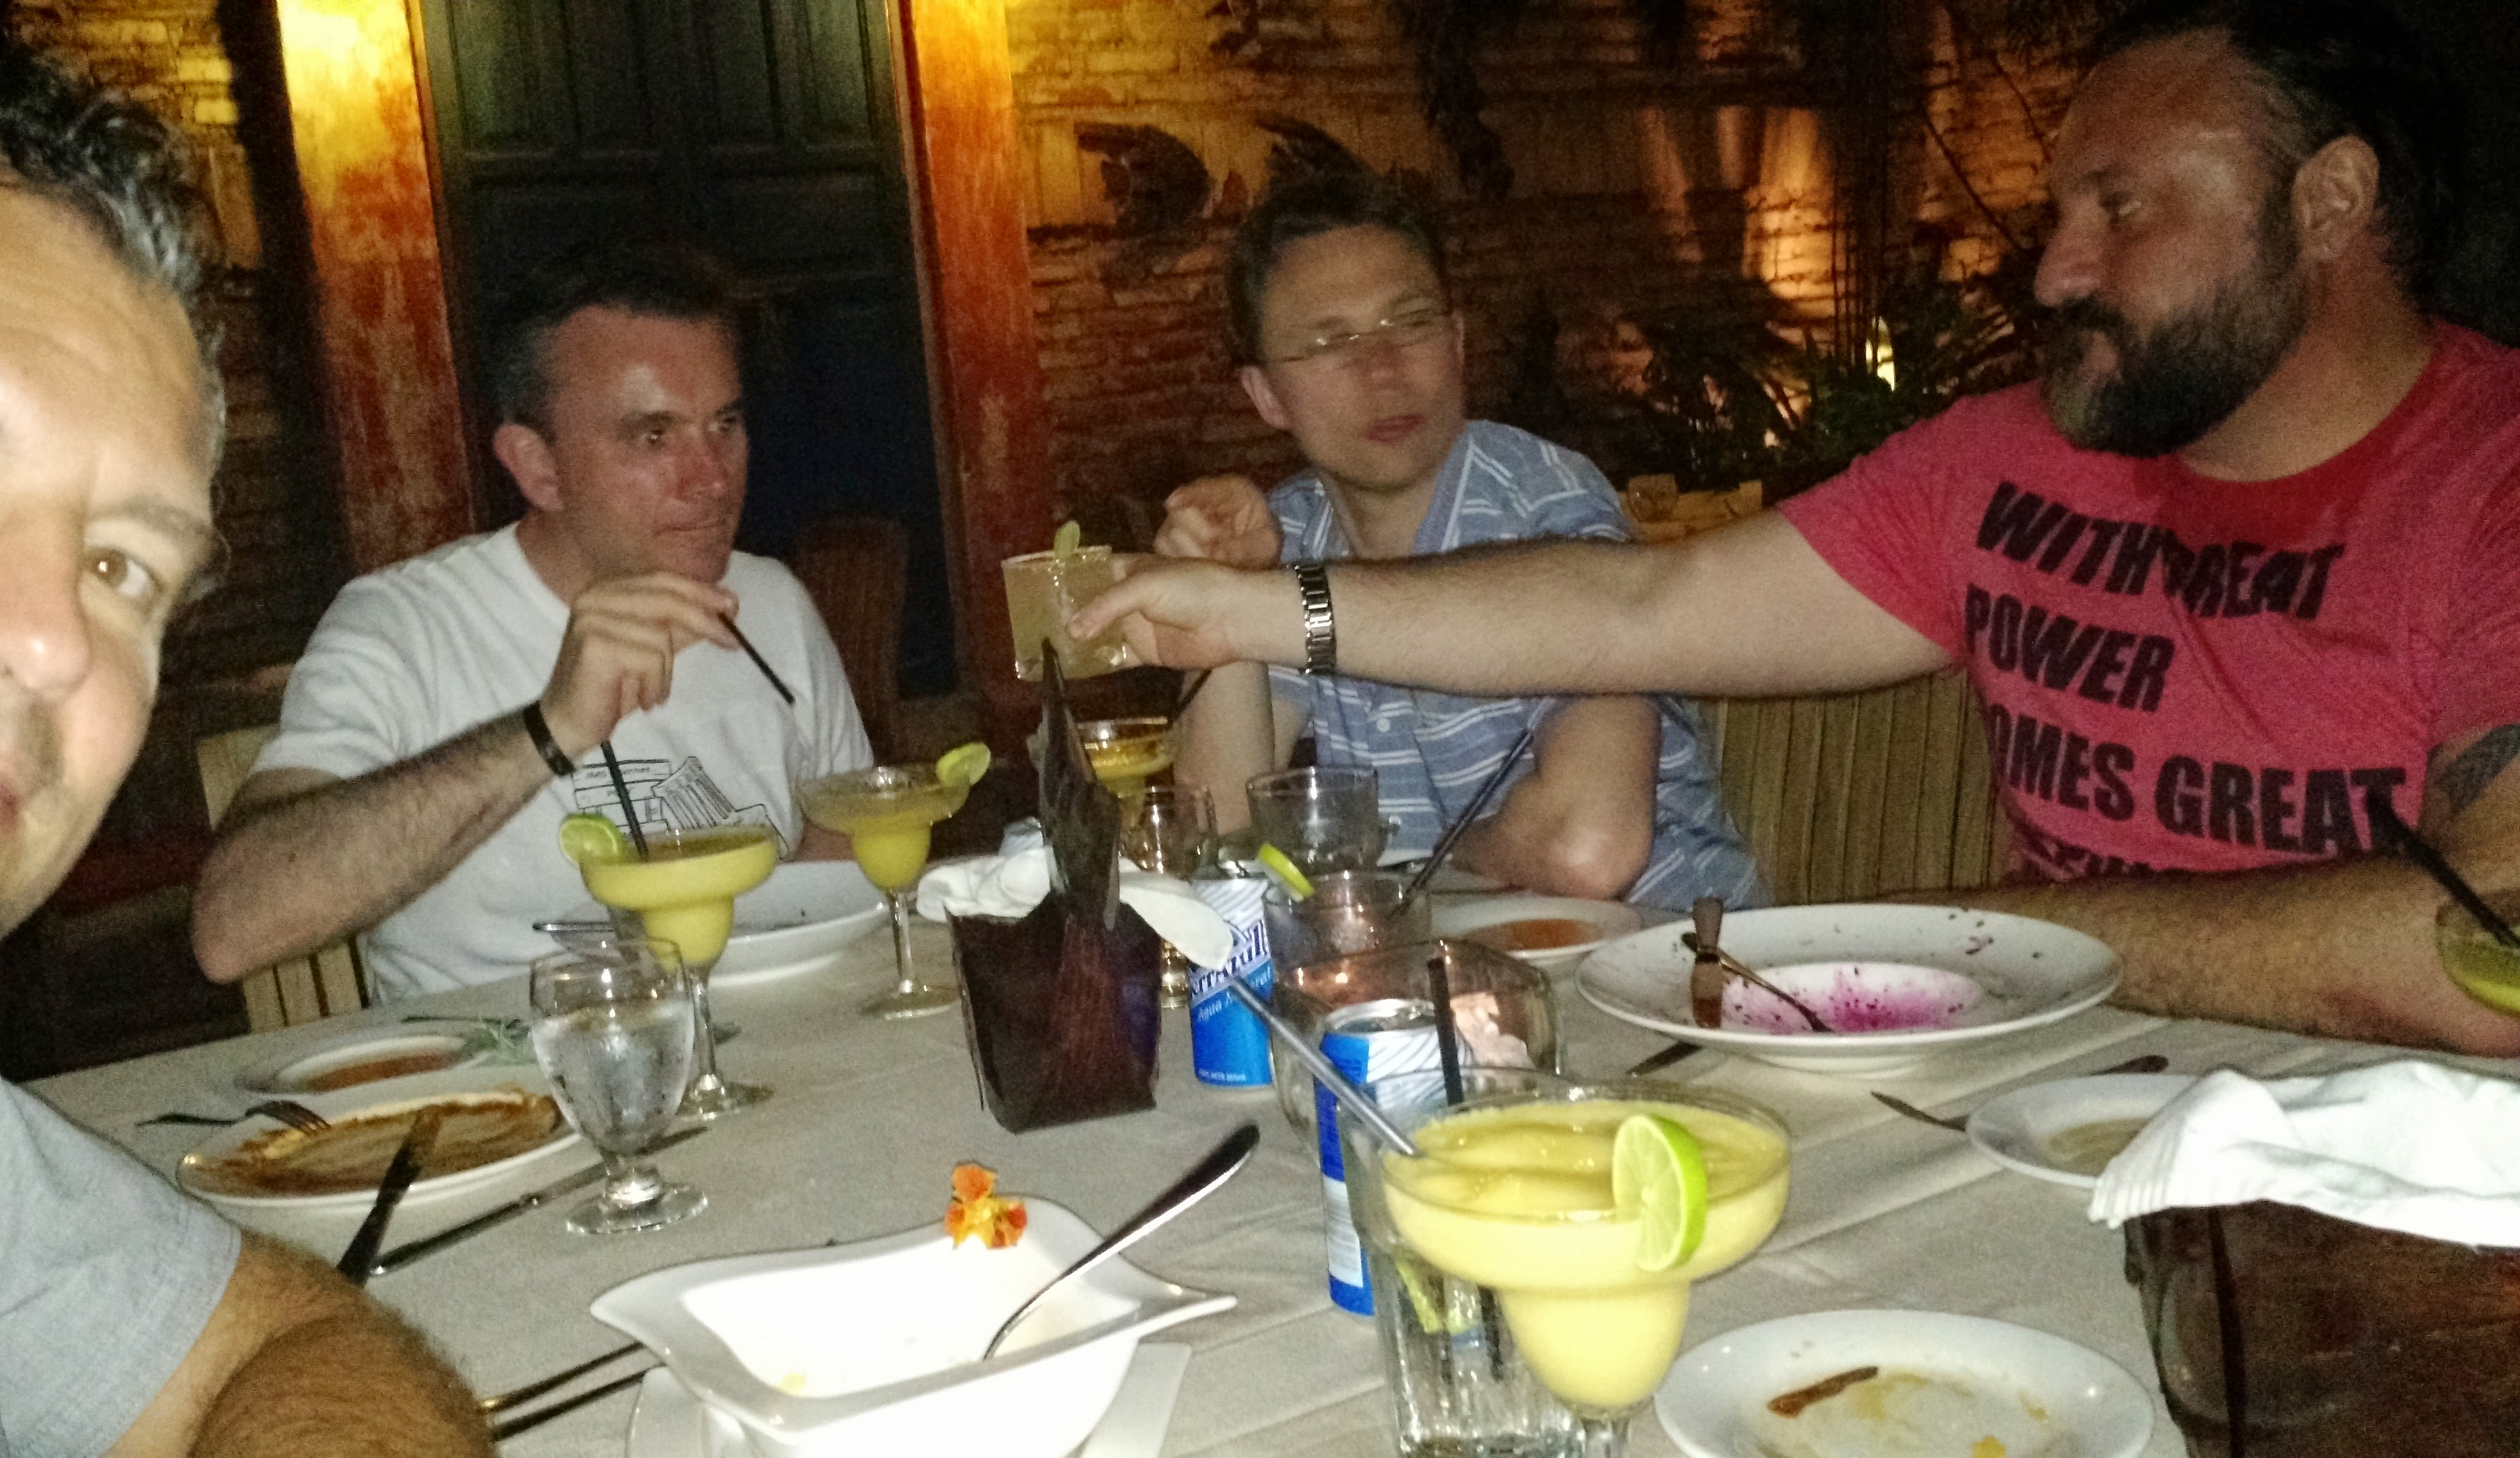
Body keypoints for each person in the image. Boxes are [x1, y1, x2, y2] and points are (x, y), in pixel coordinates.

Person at [1077, 0, 2520, 1055]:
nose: (2056, 268)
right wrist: (1251, 611)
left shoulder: (2491, 480)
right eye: (2061, 210)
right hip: (2049, 1087)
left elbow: (2489, 948)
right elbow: (1642, 612)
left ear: (2328, 200)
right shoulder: (2005, 465)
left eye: (2121, 207)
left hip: (2402, 1165)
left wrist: (1967, 935)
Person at [0, 33, 485, 1454]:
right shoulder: (405, 619)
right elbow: (239, 921)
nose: (53, 640)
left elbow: (296, 1344)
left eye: (119, 567)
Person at [193, 238, 872, 999]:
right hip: (505, 1064)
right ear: (537, 466)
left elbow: (844, 837)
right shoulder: (403, 626)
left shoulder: (770, 602)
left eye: (724, 424)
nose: (712, 479)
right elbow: (231, 929)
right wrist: (549, 731)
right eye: (652, 436)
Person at [1158, 166, 1761, 909]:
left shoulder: (1542, 507)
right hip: (1461, 960)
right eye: (1329, 342)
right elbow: (1218, 838)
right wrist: (1228, 590)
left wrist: (1407, 863)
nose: (1382, 370)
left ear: (1457, 342)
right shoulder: (1293, 534)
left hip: (1679, 954)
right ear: (1265, 396)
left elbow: (1587, 848)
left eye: (1410, 324)